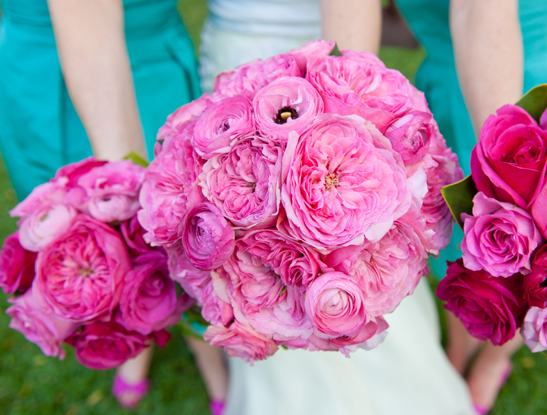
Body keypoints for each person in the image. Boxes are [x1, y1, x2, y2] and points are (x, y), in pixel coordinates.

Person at [197, 1, 475, 414]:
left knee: (356, 245)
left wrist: (347, 124)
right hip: (229, 72)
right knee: (248, 255)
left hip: (330, 67)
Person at [0, 0, 229, 411]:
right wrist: (121, 186)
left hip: (153, 55)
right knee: (111, 224)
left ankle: (199, 341)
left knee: (183, 220)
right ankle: (139, 330)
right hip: (53, 70)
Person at [392, 0, 547, 412]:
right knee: (459, 242)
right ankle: (460, 343)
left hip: (529, 86)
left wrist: (509, 167)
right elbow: (407, 23)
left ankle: (492, 360)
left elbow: (480, 8)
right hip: (443, 87)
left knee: (539, 248)